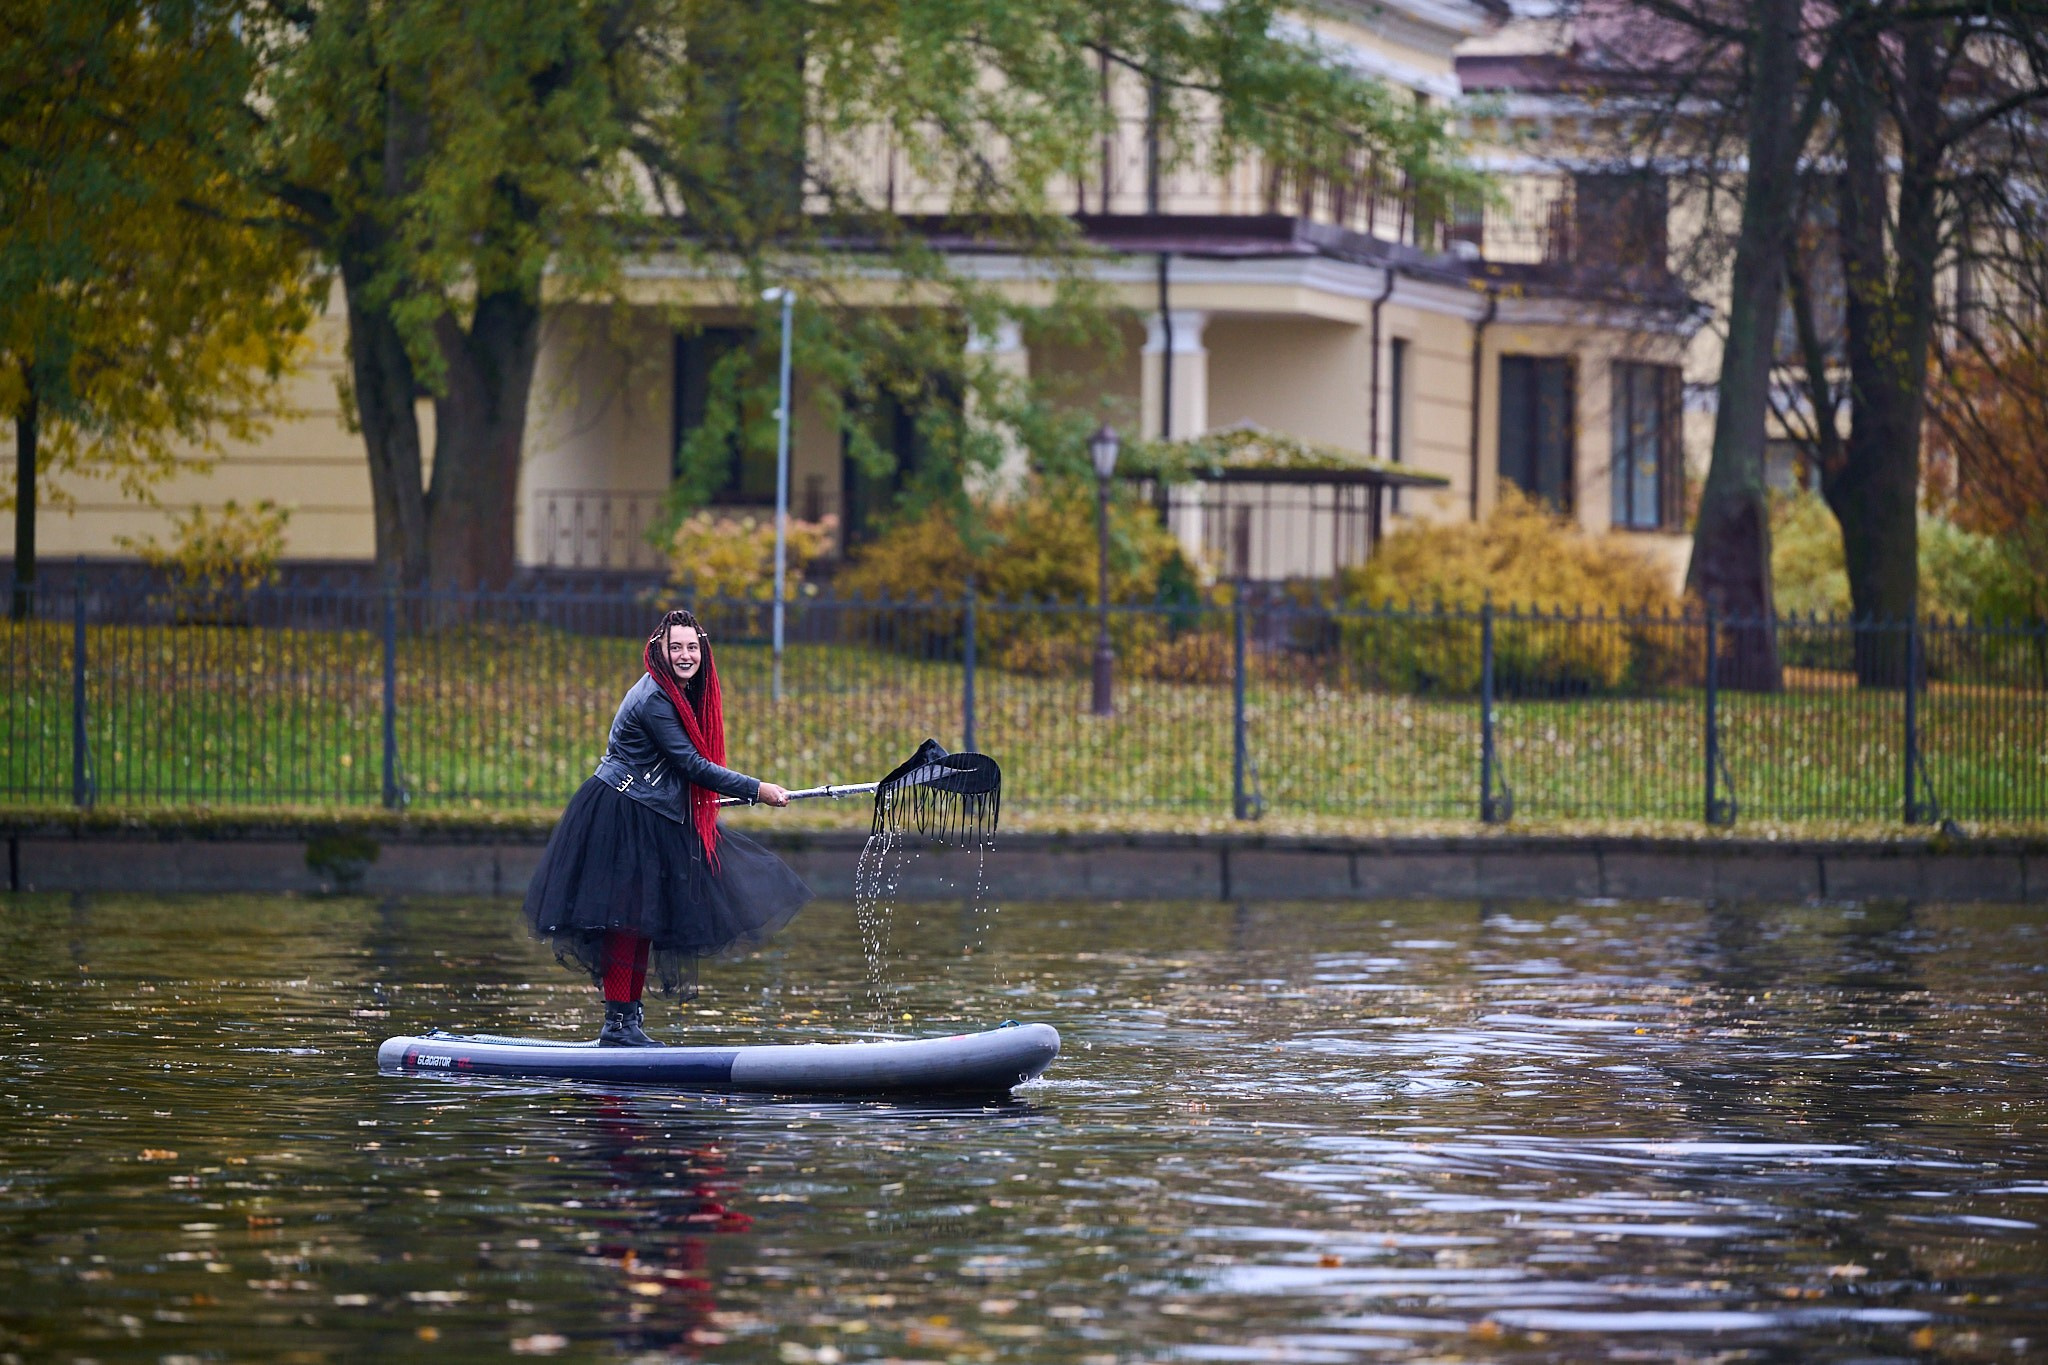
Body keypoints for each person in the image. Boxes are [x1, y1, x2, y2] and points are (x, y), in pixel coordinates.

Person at [524, 607, 813, 1046]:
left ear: (702, 651)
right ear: (660, 650)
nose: (684, 655)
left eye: (691, 647)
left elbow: (676, 770)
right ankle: (617, 1028)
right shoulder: (656, 699)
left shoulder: (679, 693)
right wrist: (759, 789)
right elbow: (690, 764)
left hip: (651, 813)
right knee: (625, 920)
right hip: (620, 814)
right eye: (675, 647)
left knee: (643, 921)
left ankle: (628, 1024)